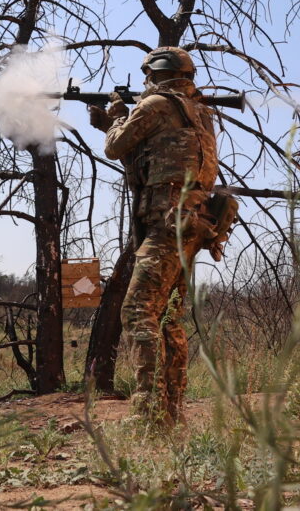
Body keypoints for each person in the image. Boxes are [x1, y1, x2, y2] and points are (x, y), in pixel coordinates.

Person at [89, 46, 218, 425]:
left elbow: (115, 147)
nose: (145, 82)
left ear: (157, 73)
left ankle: (149, 412)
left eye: (148, 75)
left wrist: (116, 118)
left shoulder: (156, 105)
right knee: (167, 317)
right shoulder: (200, 113)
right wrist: (114, 121)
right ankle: (170, 411)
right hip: (191, 223)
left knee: (137, 312)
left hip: (166, 222)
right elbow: (153, 155)